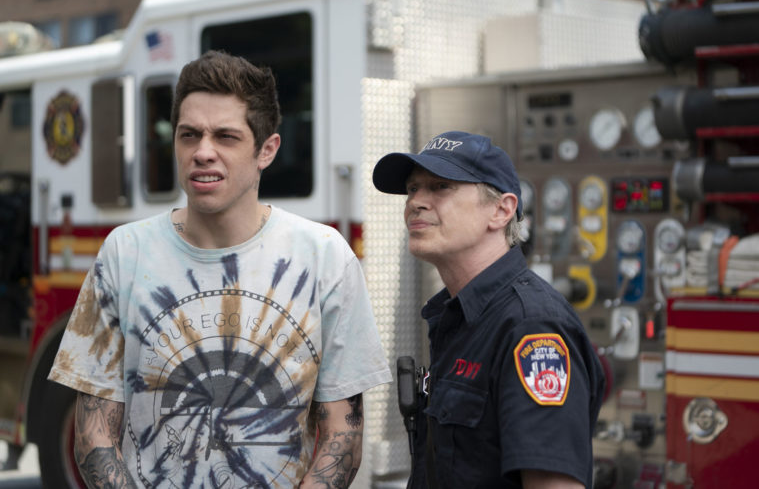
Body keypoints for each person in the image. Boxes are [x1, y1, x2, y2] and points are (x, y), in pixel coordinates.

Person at [49, 50, 392, 489]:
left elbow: (343, 437)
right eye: (189, 135)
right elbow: (92, 436)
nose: (202, 152)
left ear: (267, 150)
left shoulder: (325, 258)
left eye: (226, 137)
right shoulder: (123, 253)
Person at [372, 131, 605, 488]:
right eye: (413, 188)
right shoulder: (460, 317)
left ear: (501, 210)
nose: (416, 201)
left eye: (440, 186)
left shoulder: (531, 327)